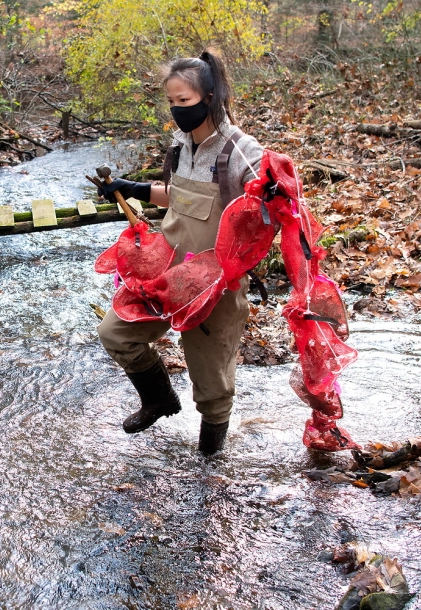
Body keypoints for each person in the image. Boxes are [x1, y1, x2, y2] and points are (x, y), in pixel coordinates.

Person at [96, 49, 264, 456]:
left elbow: (267, 204)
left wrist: (270, 195)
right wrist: (132, 188)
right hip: (164, 271)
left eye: (183, 101)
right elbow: (177, 197)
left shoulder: (241, 150)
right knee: (115, 334)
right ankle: (158, 399)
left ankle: (210, 462)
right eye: (171, 101)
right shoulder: (181, 146)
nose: (176, 109)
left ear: (209, 97)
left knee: (212, 386)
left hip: (214, 283)